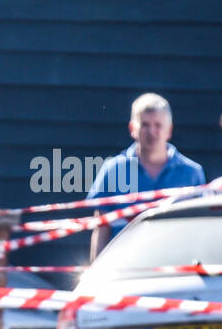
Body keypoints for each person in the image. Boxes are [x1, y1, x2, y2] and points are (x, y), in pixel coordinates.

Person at [88, 93, 206, 256]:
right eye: (145, 125)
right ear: (132, 129)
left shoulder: (191, 173)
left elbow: (199, 229)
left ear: (169, 130)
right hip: (123, 267)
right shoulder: (113, 169)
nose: (151, 131)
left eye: (158, 125)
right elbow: (101, 228)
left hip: (175, 267)